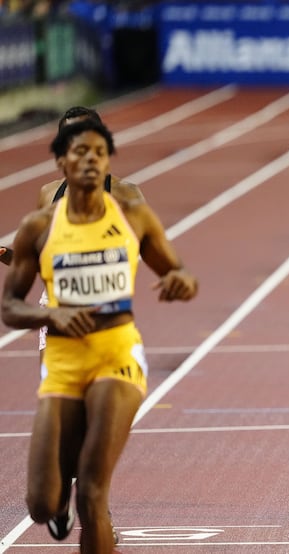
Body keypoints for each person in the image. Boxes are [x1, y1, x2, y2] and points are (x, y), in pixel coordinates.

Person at [0, 117, 198, 553]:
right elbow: (12, 297)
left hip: (115, 353)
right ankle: (59, 501)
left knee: (93, 492)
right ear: (60, 160)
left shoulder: (130, 207)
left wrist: (181, 282)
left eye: (98, 151)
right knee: (40, 502)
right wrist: (49, 315)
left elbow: (178, 270)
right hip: (61, 351)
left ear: (108, 158)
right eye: (77, 150)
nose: (89, 159)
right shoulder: (41, 218)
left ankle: (87, 501)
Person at [1, 106, 143, 358]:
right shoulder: (48, 194)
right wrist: (3, 253)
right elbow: (36, 262)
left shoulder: (126, 193)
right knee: (53, 393)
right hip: (57, 314)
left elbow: (141, 252)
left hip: (105, 314)